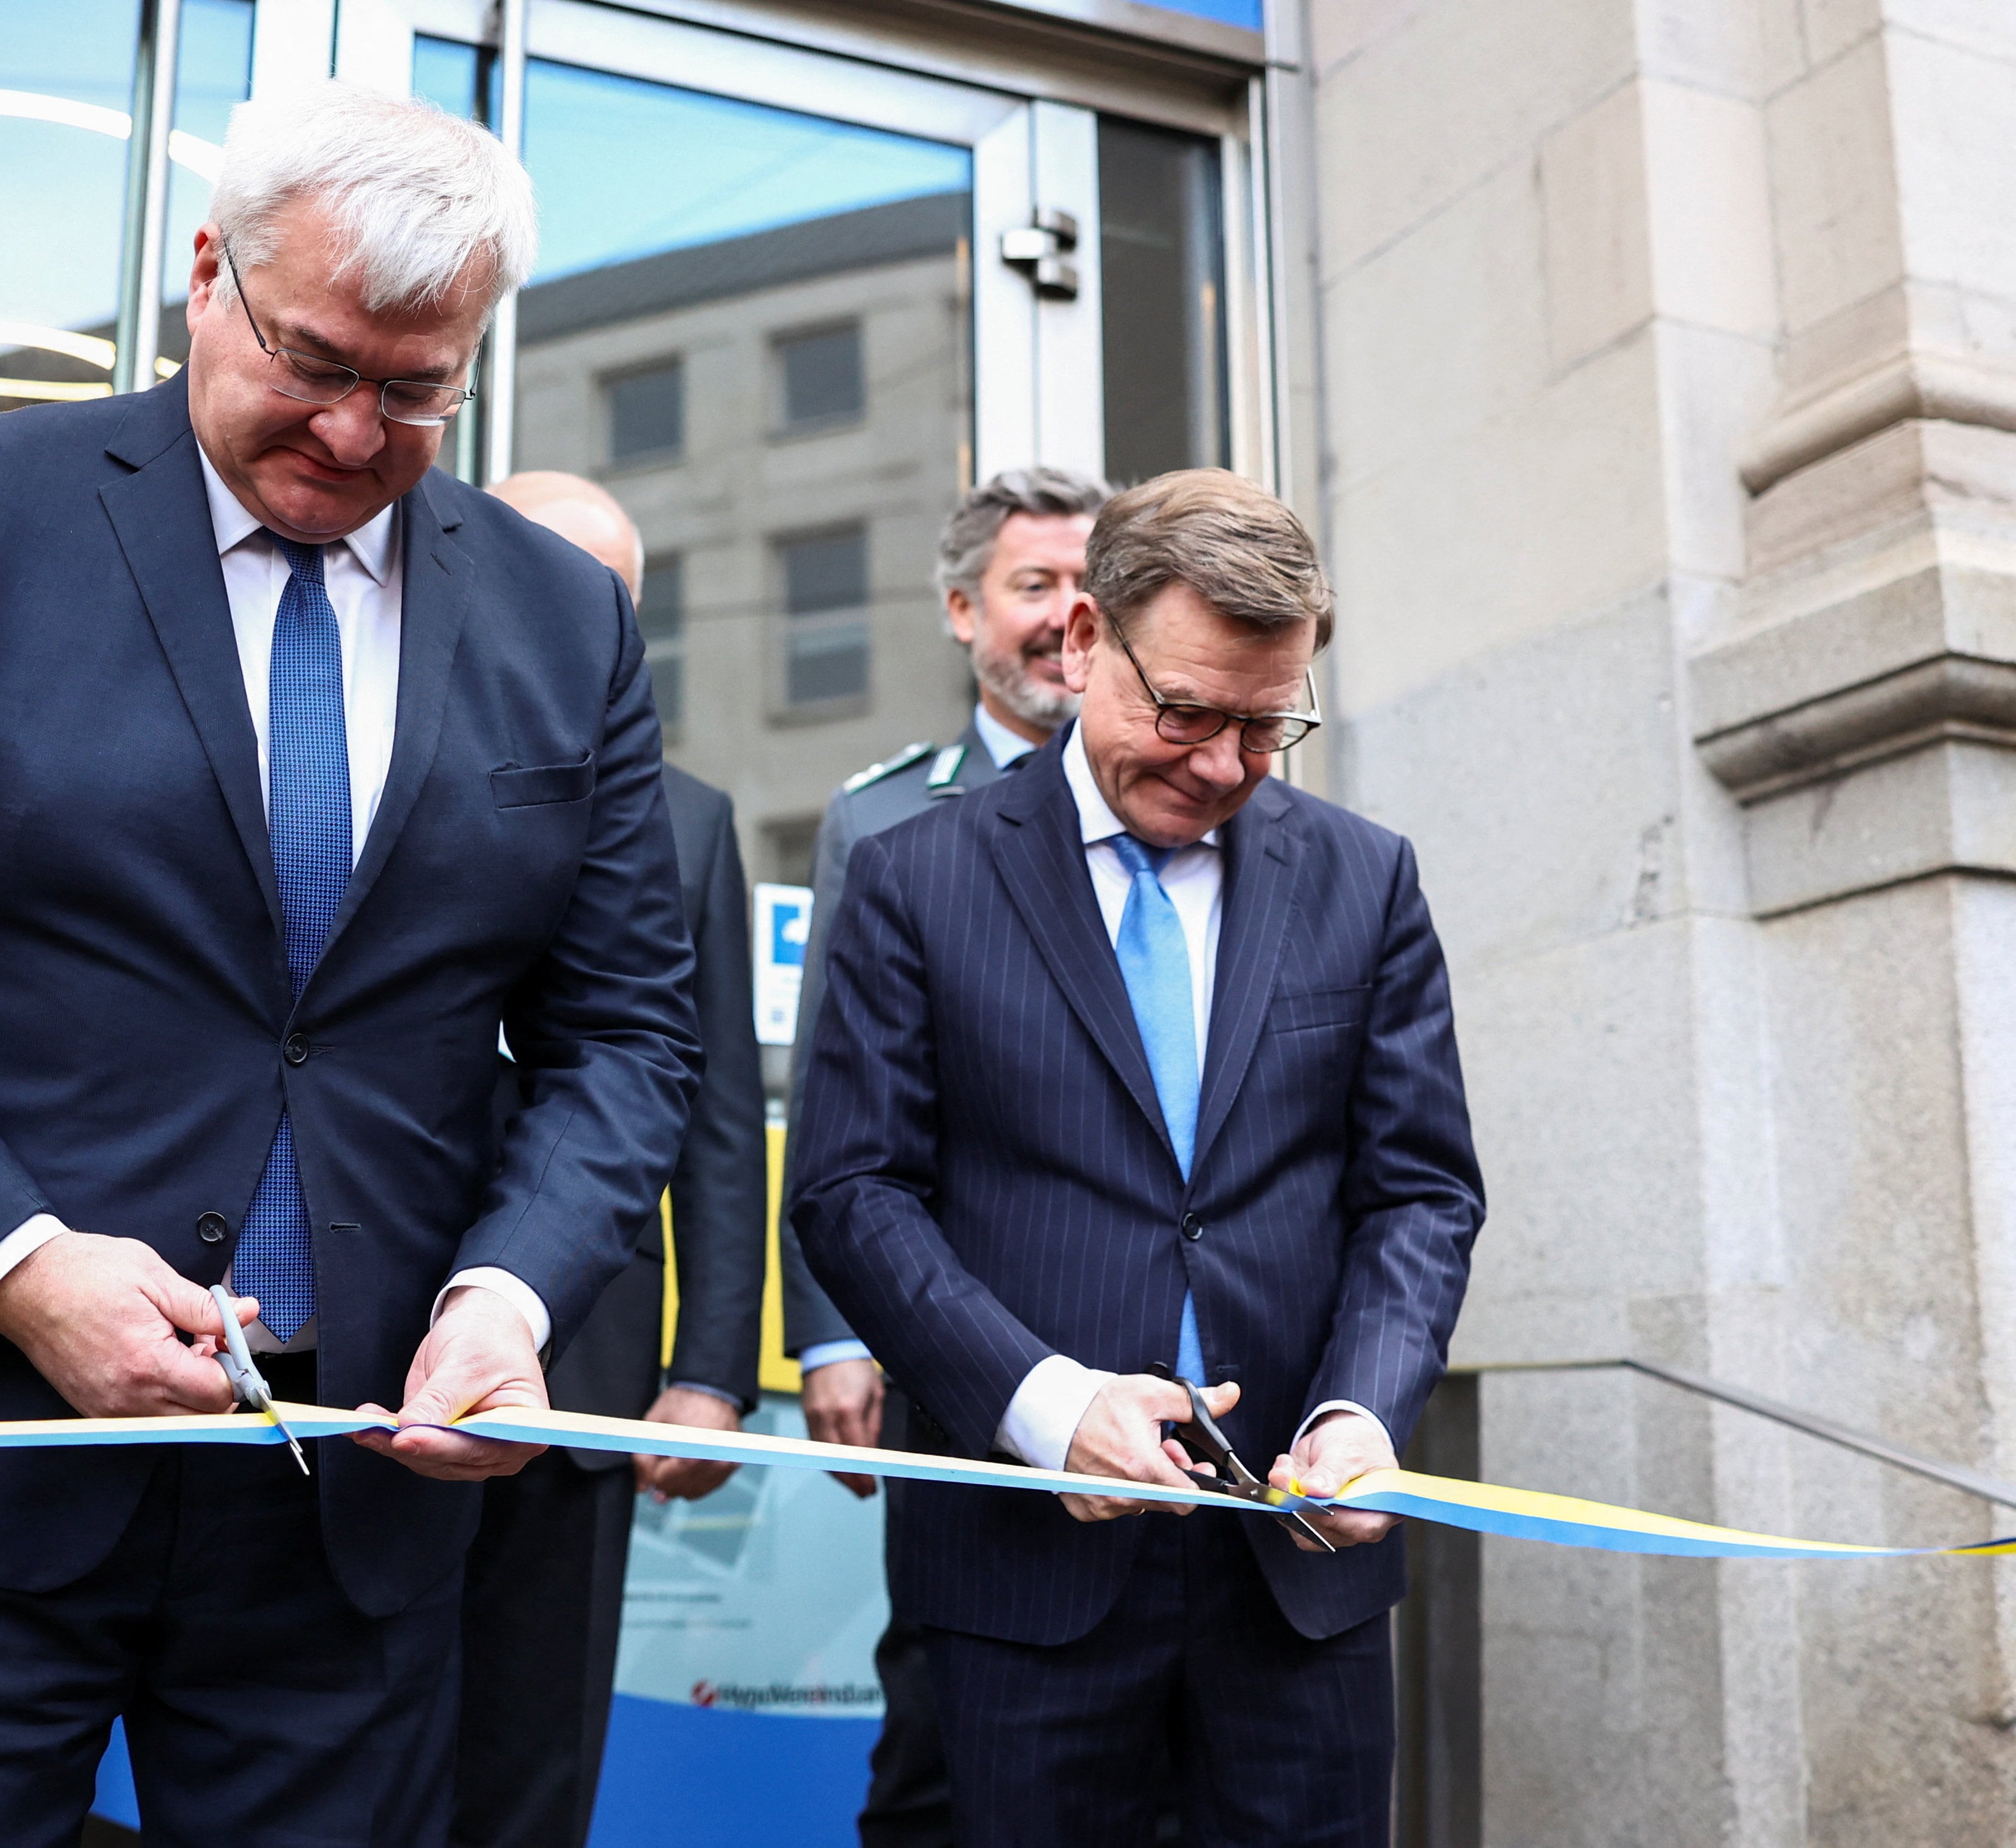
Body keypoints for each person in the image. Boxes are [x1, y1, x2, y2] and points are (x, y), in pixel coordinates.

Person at [0, 85, 698, 1846]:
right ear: (206, 276)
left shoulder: (564, 616)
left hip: (352, 1501)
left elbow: (622, 1035)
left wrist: (509, 1295)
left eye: (415, 386)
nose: (353, 424)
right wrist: (15, 1260)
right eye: (312, 358)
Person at [788, 469, 1484, 1847]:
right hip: (1024, 1570)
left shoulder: (1366, 877)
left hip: (1300, 1574)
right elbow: (852, 1193)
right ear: (1090, 637)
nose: (1221, 764)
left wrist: (1360, 1410)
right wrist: (1042, 1404)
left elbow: (1417, 1190)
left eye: (1264, 724)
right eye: (1184, 713)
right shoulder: (913, 877)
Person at [779, 465, 1109, 1848]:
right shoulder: (884, 816)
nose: (1066, 616)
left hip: (1147, 1326)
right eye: (1035, 585)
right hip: (951, 1331)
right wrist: (836, 1336)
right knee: (942, 1720)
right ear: (964, 609)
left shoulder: (1190, 787)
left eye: (1090, 587)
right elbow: (836, 1096)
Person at [453, 472, 768, 1848]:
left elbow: (706, 1107)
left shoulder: (687, 819)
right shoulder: (357, 751)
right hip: (342, 1339)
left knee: (533, 1761)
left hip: (581, 1371)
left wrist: (708, 1371)